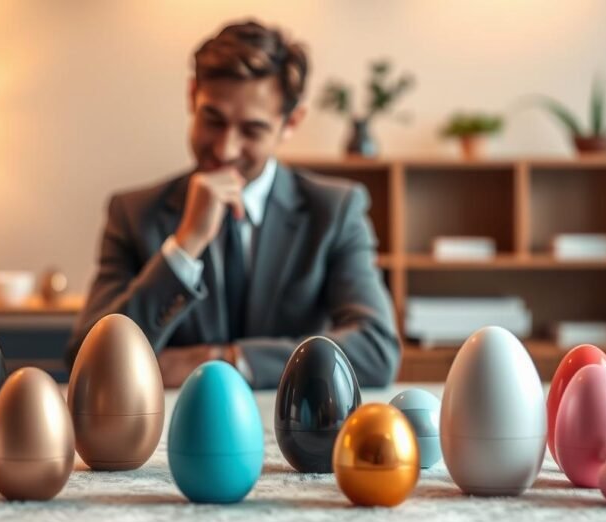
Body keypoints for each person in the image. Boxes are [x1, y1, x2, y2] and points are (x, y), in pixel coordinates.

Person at [66, 20, 400, 389]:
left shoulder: (335, 210)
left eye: (252, 130)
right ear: (193, 95)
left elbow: (377, 350)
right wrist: (184, 246)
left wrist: (226, 361)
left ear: (291, 122)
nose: (225, 149)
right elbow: (88, 362)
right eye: (213, 119)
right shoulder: (132, 213)